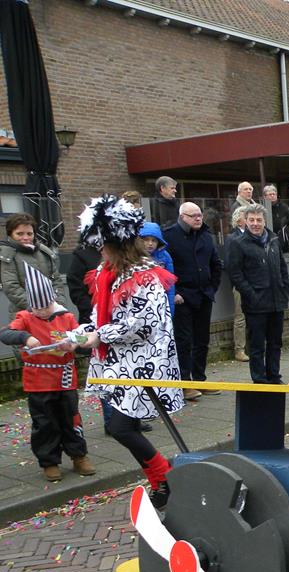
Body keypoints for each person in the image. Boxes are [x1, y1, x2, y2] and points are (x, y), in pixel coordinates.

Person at [72, 195, 183, 509]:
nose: (99, 250)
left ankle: (165, 476)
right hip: (119, 362)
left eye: (103, 245)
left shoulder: (145, 275)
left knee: (120, 428)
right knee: (126, 428)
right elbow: (100, 315)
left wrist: (100, 335)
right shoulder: (106, 273)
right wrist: (78, 334)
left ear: (117, 245)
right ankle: (161, 482)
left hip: (145, 361)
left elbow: (144, 322)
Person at [0, 265, 95, 482]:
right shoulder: (24, 317)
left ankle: (79, 455)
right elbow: (6, 334)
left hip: (65, 379)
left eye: (46, 307)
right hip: (38, 382)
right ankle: (49, 462)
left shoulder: (66, 317)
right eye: (37, 308)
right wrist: (25, 337)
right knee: (44, 423)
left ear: (53, 301)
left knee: (71, 419)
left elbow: (82, 339)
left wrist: (74, 345)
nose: (42, 312)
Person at [162, 202, 222, 400]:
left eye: (199, 215)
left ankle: (200, 379)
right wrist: (174, 292)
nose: (198, 218)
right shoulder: (170, 236)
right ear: (182, 217)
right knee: (184, 341)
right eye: (193, 215)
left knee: (202, 341)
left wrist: (212, 288)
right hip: (182, 298)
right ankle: (184, 383)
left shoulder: (205, 235)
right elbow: (163, 267)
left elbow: (215, 264)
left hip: (203, 295)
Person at [226, 204, 289, 384]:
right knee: (257, 345)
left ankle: (274, 376)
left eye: (259, 220)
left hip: (277, 301)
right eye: (251, 220)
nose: (255, 224)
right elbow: (235, 273)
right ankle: (260, 380)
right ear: (245, 221)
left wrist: (285, 289)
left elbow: (282, 267)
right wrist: (251, 295)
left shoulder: (274, 239)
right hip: (255, 304)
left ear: (264, 221)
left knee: (275, 343)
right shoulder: (238, 243)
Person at [1, 213, 71, 314]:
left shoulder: (44, 252)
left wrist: (58, 305)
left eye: (29, 234)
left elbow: (56, 280)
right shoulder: (7, 254)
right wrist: (38, 308)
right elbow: (11, 287)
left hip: (52, 311)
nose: (25, 238)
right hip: (25, 314)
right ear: (10, 234)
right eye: (20, 234)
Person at [224, 207, 249, 362]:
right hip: (241, 284)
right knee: (240, 317)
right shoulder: (232, 238)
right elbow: (230, 263)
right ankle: (239, 349)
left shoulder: (256, 235)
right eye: (247, 217)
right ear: (239, 220)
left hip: (256, 283)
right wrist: (239, 282)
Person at [139, 222, 178, 316]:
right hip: (141, 300)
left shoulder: (165, 256)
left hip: (160, 300)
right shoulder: (134, 257)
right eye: (146, 240)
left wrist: (170, 310)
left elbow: (170, 284)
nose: (150, 243)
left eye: (154, 240)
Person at [262, 184, 289, 256]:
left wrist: (285, 237)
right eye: (270, 194)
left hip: (283, 248)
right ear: (265, 197)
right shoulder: (262, 208)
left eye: (274, 194)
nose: (272, 196)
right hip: (266, 246)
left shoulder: (284, 207)